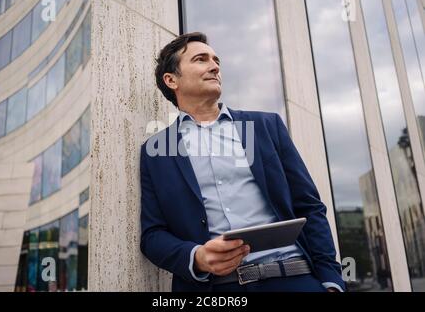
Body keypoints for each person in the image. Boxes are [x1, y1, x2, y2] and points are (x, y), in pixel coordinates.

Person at [140, 32, 345, 292]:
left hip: (294, 279)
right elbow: (153, 235)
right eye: (201, 59)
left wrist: (331, 281)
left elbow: (309, 205)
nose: (215, 66)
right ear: (171, 80)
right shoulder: (156, 151)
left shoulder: (265, 127)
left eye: (216, 61)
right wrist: (197, 257)